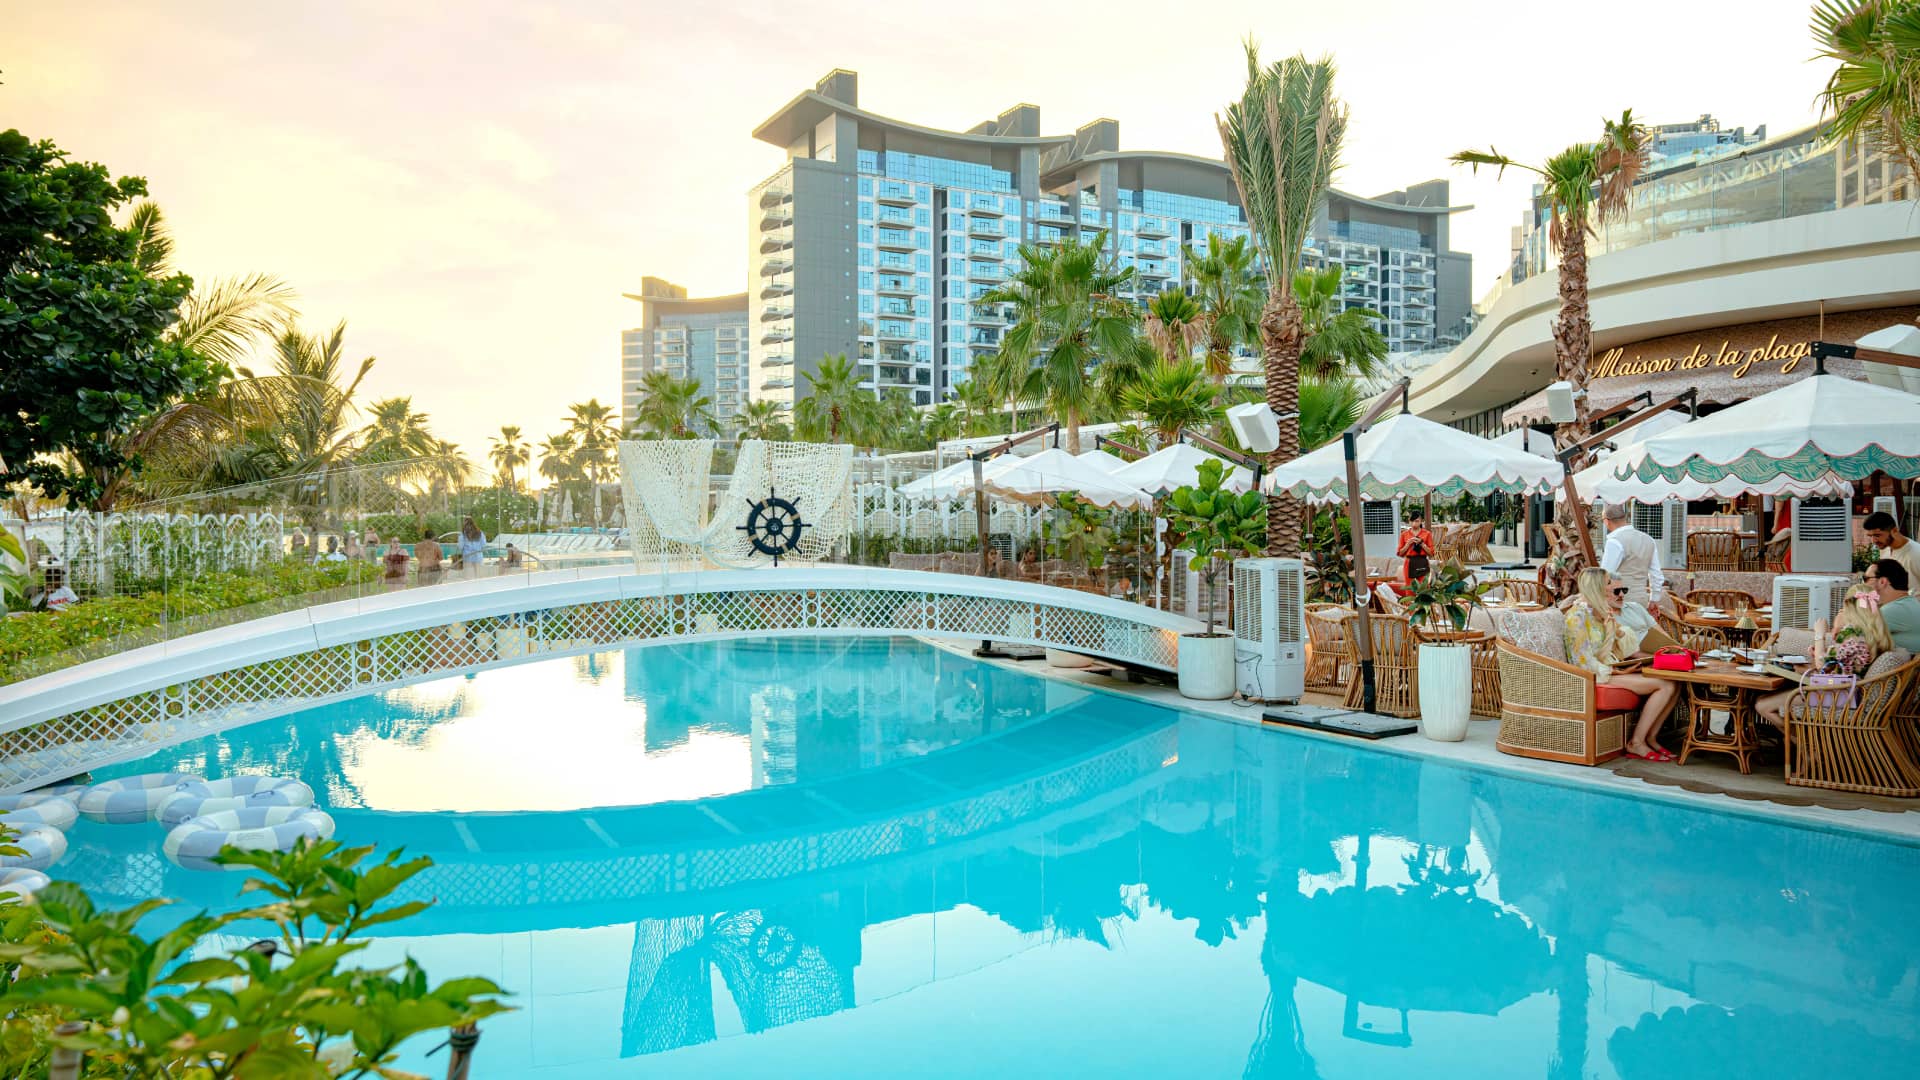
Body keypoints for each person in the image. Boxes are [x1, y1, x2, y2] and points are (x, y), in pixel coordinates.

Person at [1563, 567, 1680, 761]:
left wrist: (1614, 627)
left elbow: (1622, 648)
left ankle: (1651, 738)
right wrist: (1616, 672)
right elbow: (1582, 663)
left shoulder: (1597, 613)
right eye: (1609, 583)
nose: (1614, 588)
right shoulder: (1577, 618)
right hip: (1593, 676)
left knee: (1672, 681)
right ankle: (1636, 743)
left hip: (1610, 669)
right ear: (1598, 587)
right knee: (1664, 685)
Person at [1756, 583, 1893, 726]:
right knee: (1763, 700)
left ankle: (1801, 744)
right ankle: (1804, 743)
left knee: (1762, 705)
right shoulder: (1870, 637)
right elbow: (1832, 666)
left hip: (1833, 695)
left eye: (1843, 608)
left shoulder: (1854, 638)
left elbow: (1823, 664)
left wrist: (1820, 634)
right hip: (1837, 692)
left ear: (1850, 608)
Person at [1598, 502, 1668, 611]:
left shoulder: (1615, 541)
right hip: (1642, 599)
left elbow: (1605, 574)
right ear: (1625, 518)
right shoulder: (1649, 539)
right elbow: (1656, 574)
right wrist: (1654, 599)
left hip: (1620, 599)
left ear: (1606, 521)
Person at [1865, 557, 1920, 652]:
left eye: (1866, 579)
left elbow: (1853, 636)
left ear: (1882, 582)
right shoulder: (1908, 603)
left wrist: (1841, 618)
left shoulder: (1893, 610)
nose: (1864, 584)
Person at [1863, 511, 1920, 597]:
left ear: (1894, 531)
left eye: (1877, 535)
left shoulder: (1916, 553)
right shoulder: (1885, 549)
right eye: (1870, 536)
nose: (1873, 541)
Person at [1397, 509, 1435, 585]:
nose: (1414, 523)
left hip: (1422, 562)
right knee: (1410, 589)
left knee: (1424, 588)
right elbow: (1400, 554)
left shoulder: (1427, 534)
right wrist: (1407, 544)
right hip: (1409, 562)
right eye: (1412, 521)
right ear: (1409, 521)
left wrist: (1422, 544)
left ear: (1421, 521)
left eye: (1417, 521)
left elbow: (1431, 554)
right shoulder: (1404, 534)